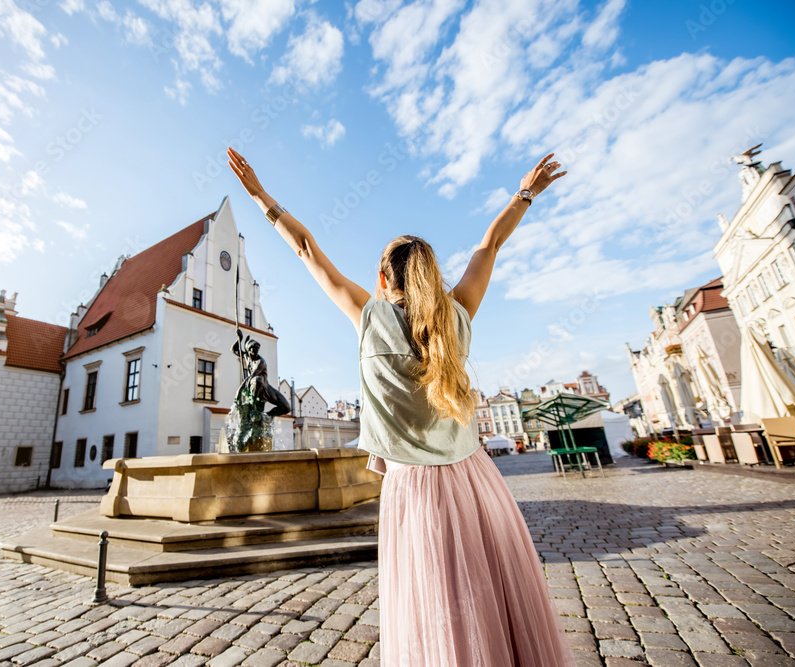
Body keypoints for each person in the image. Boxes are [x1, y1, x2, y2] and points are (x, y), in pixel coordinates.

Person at [227, 146, 575, 666]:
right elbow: (490, 244)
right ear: (431, 276)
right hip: (478, 481)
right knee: (493, 597)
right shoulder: (458, 314)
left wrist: (258, 194)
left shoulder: (368, 317)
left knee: (438, 605)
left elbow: (305, 248)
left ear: (385, 279)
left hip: (416, 490)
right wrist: (524, 194)